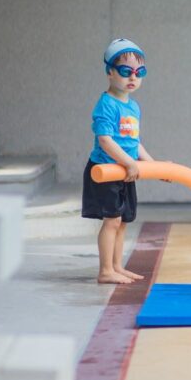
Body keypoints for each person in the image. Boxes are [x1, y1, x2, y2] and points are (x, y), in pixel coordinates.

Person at [82, 38, 161, 284]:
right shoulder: (106, 105)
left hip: (125, 169)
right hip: (106, 170)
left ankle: (117, 266)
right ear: (110, 72)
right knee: (112, 221)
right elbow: (105, 140)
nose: (133, 77)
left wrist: (152, 164)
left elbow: (134, 142)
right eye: (126, 71)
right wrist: (129, 163)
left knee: (123, 222)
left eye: (140, 72)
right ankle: (105, 270)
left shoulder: (133, 106)